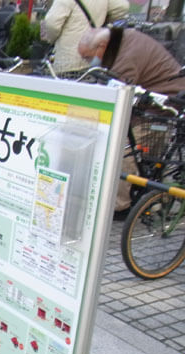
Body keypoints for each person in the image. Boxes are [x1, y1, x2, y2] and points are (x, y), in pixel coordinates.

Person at [79, 26, 185, 215]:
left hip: (162, 103)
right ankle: (150, 193)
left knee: (124, 150)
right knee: (141, 154)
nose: (88, 62)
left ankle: (120, 204)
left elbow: (118, 92)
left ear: (102, 46)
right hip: (149, 100)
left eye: (88, 57)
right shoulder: (120, 42)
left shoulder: (127, 55)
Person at [41, 0, 128, 73]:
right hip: (92, 57)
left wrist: (51, 39)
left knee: (62, 89)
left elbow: (52, 23)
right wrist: (104, 22)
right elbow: (122, 7)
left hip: (67, 59)